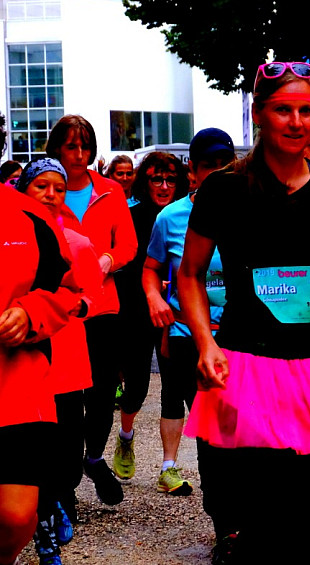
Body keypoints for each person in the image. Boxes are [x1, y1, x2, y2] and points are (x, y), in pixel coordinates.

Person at [177, 61, 310, 564]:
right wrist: (205, 343)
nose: (297, 122)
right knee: (258, 521)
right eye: (284, 110)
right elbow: (190, 273)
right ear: (259, 114)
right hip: (248, 364)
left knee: (304, 522)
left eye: (307, 111)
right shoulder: (224, 188)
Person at [47, 114, 137, 508]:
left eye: (85, 146)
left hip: (103, 306)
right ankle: (64, 484)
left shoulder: (110, 191)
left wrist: (107, 260)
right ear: (56, 148)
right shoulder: (46, 188)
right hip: (62, 310)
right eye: (71, 146)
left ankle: (94, 457)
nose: (80, 154)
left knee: (102, 394)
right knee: (66, 398)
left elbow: (128, 245)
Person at [17, 159, 103, 565]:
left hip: (66, 356)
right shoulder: (12, 237)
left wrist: (78, 305)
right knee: (33, 444)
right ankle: (42, 516)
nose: (51, 195)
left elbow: (92, 293)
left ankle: (61, 499)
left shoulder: (76, 242)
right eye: (41, 186)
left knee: (68, 439)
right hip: (24, 358)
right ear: (23, 189)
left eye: (59, 188)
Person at [143, 130, 234, 500]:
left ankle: (230, 488)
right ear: (193, 171)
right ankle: (177, 470)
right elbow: (151, 268)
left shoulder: (252, 212)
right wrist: (155, 298)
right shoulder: (170, 218)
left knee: (230, 415)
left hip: (238, 331)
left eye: (225, 164)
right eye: (209, 165)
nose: (218, 172)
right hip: (186, 329)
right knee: (195, 405)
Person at [0, 183, 80, 565]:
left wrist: (30, 312)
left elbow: (67, 289)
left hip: (15, 383)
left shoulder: (28, 215)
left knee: (16, 515)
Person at [111, 152, 189, 488]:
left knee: (174, 386)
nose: (164, 186)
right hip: (136, 312)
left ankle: (168, 467)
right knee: (137, 389)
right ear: (145, 182)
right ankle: (126, 436)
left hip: (177, 314)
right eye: (157, 179)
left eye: (171, 179)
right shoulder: (131, 216)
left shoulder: (188, 216)